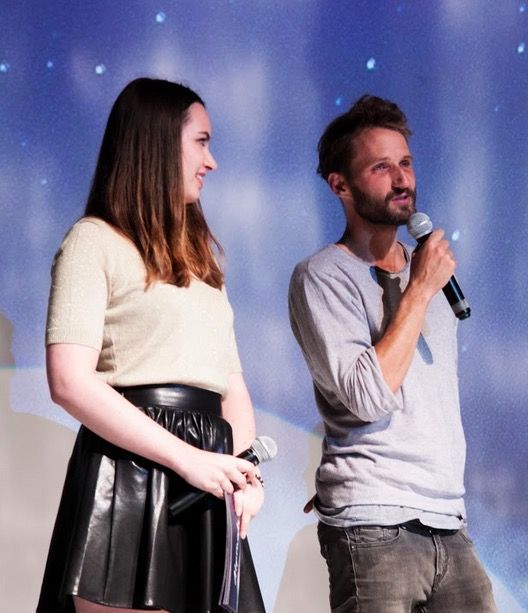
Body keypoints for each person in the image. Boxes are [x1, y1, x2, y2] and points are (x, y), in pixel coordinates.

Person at [37, 78, 265, 613]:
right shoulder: (93, 241)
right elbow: (68, 380)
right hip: (129, 480)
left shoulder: (204, 263)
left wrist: (243, 473)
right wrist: (187, 459)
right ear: (158, 144)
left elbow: (231, 387)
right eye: (201, 142)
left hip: (205, 482)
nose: (211, 162)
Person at [288, 95, 496, 612]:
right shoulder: (323, 276)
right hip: (374, 526)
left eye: (406, 163)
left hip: (447, 517)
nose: (402, 180)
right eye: (381, 167)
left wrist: (423, 283)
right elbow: (368, 396)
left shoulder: (431, 273)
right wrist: (419, 290)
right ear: (340, 185)